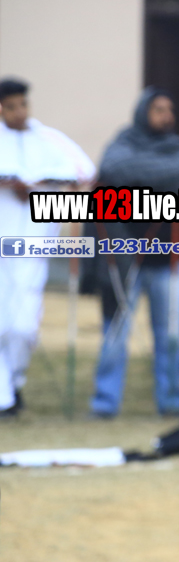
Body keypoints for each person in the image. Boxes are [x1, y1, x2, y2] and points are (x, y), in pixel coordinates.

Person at [90, 88, 179, 418]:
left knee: (171, 334)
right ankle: (104, 403)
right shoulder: (123, 144)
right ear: (143, 112)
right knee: (116, 333)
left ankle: (170, 401)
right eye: (158, 109)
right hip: (125, 256)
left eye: (169, 109)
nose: (166, 116)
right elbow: (116, 170)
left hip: (168, 257)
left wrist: (145, 182)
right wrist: (166, 182)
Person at [0, 78, 95, 418]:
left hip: (32, 249)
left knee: (22, 327)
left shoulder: (48, 138)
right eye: (11, 107)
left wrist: (40, 183)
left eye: (23, 105)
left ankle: (14, 383)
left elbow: (84, 171)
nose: (19, 112)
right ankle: (4, 398)